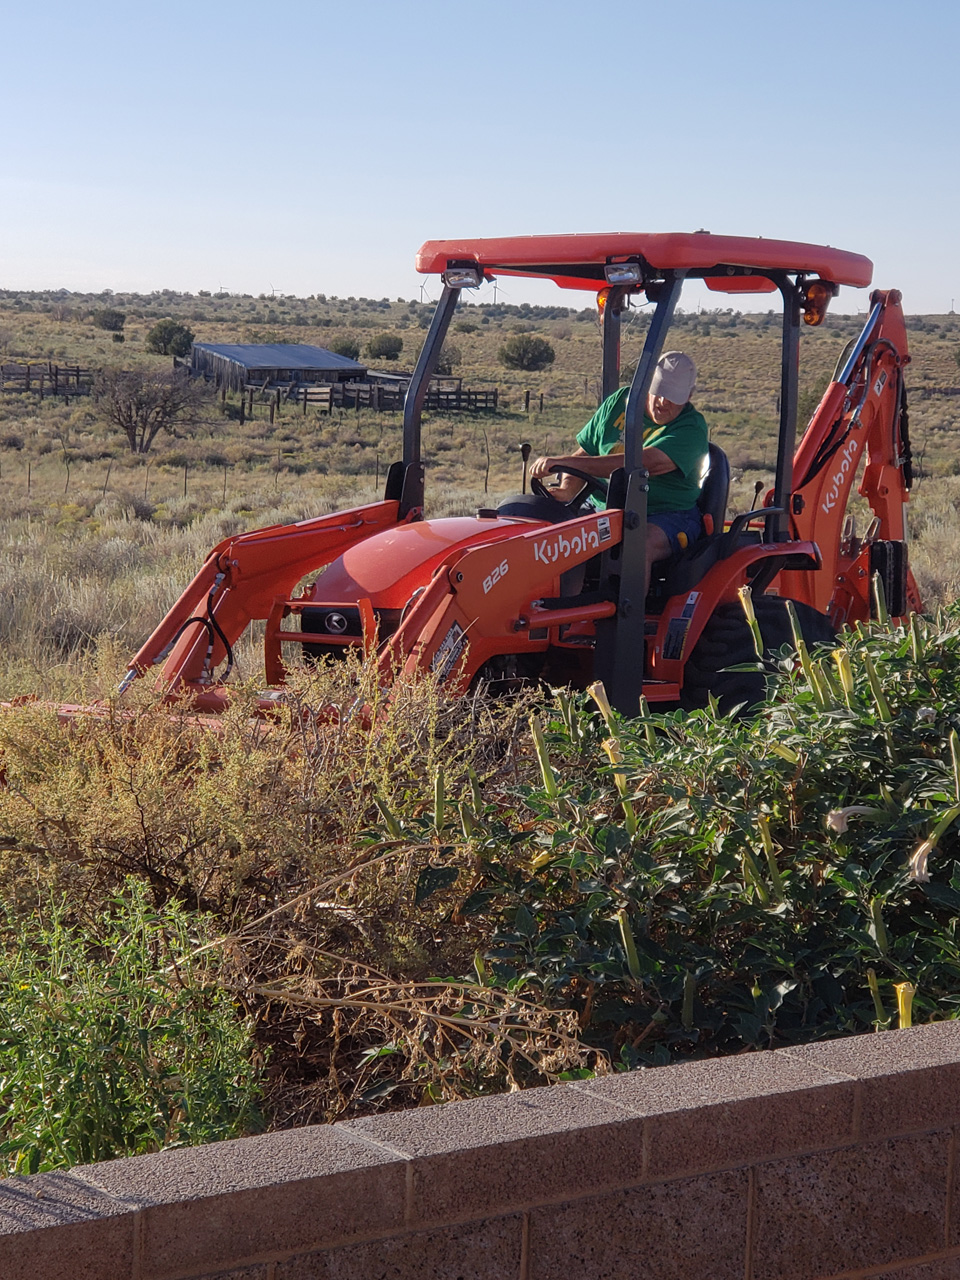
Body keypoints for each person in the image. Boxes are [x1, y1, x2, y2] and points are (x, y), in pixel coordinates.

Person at [529, 351, 708, 594]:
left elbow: (642, 464)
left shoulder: (691, 428)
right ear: (646, 385)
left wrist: (565, 462)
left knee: (637, 545)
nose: (664, 403)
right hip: (603, 506)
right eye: (660, 393)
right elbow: (587, 451)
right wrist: (567, 488)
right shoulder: (619, 403)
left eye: (674, 398)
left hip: (664, 514)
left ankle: (627, 627)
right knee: (551, 536)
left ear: (689, 396)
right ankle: (555, 616)